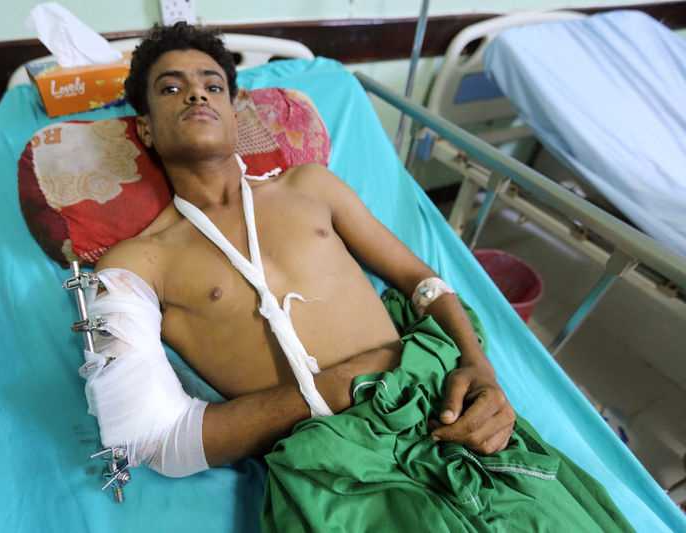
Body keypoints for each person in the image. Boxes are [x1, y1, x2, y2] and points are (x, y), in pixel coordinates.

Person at [83, 22, 631, 532]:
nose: (198, 95)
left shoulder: (310, 187)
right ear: (146, 129)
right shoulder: (136, 264)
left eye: (212, 86)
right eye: (171, 89)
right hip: (336, 468)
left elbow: (421, 280)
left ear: (235, 108)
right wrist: (335, 388)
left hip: (438, 403)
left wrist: (481, 368)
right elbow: (152, 438)